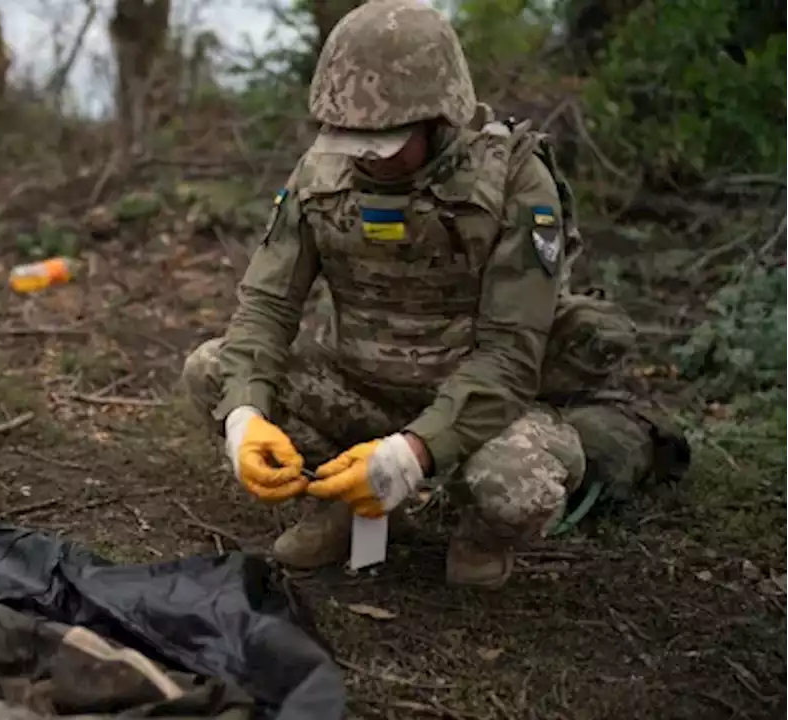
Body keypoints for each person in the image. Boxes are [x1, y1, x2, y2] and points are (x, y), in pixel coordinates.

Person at [179, 0, 689, 589]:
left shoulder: (516, 182)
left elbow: (509, 355)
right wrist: (245, 416)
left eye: (386, 140)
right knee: (214, 371)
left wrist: (412, 455)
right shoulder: (320, 174)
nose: (367, 155)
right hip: (360, 390)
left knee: (516, 487)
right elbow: (267, 307)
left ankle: (476, 529)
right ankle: (341, 499)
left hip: (483, 409)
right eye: (351, 139)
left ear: (439, 118)